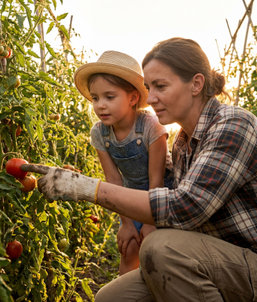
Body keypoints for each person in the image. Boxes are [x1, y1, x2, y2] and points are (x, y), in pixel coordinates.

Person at [23, 37, 257, 301]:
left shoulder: (233, 125)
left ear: (196, 84)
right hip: (219, 265)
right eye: (149, 88)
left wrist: (85, 187)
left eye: (161, 87)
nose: (150, 99)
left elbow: (187, 207)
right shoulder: (183, 144)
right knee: (111, 298)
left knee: (161, 248)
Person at [74, 50, 172, 275]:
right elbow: (114, 180)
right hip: (130, 198)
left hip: (163, 197)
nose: (100, 105)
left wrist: (150, 222)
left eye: (109, 97)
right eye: (95, 98)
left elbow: (157, 180)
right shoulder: (100, 133)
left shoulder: (151, 127)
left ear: (133, 98)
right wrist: (127, 224)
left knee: (156, 254)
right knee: (128, 250)